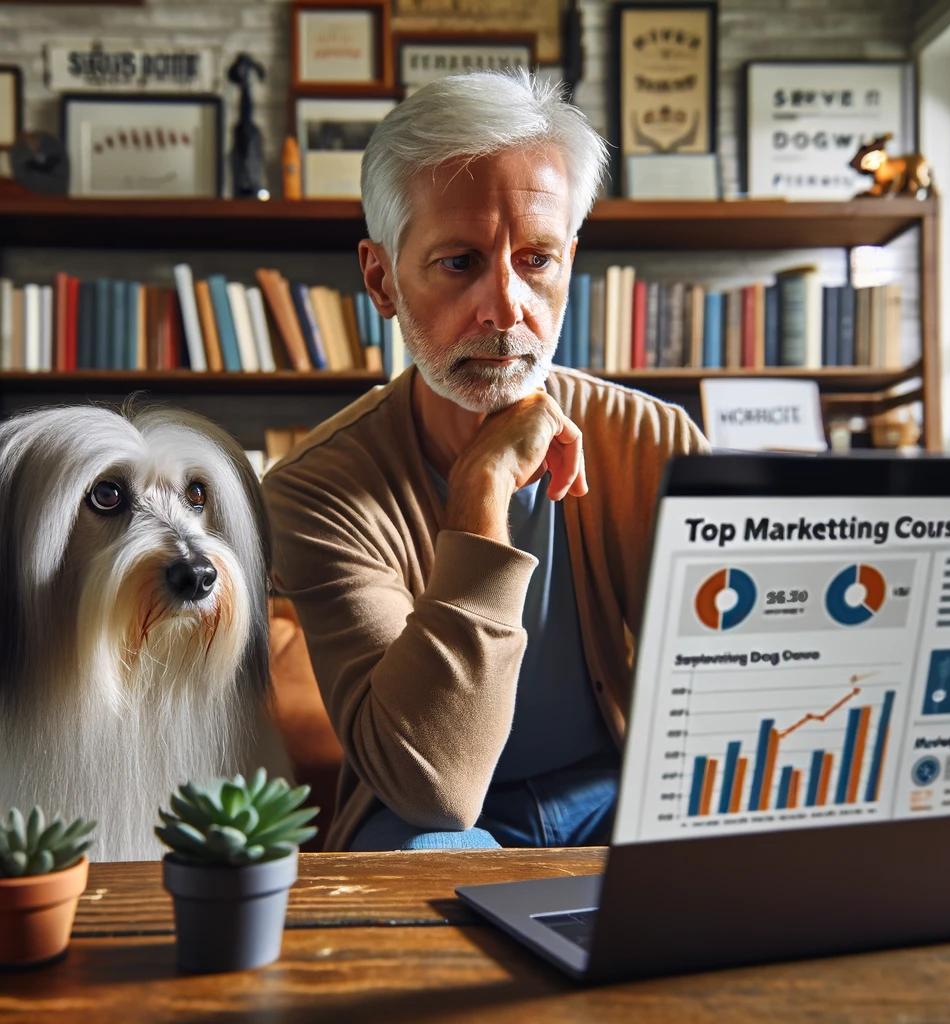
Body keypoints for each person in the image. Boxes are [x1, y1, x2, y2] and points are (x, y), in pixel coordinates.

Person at [262, 70, 708, 852]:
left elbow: (728, 694)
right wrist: (482, 487)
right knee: (431, 873)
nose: (506, 309)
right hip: (433, 826)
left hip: (618, 796)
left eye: (536, 260)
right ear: (382, 278)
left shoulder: (653, 442)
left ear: (570, 259)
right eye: (461, 263)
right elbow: (429, 787)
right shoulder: (316, 492)